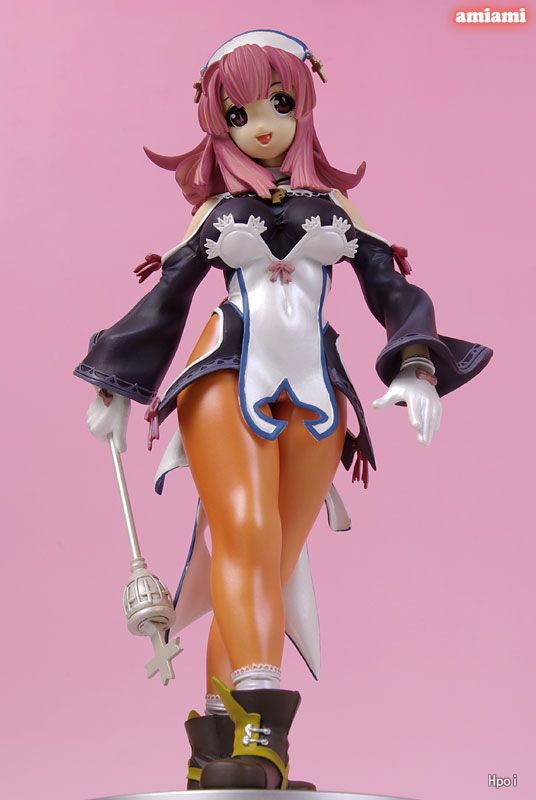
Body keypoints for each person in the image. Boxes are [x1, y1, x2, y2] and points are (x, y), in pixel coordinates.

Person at [75, 30, 492, 791]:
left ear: (303, 105)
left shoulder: (333, 210)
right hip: (226, 373)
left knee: (268, 562)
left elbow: (392, 289)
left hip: (317, 390)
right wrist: (116, 384)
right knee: (246, 534)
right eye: (239, 113)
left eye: (278, 103)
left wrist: (418, 364)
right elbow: (166, 297)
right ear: (218, 121)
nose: (262, 126)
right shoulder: (216, 214)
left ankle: (215, 746)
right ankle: (264, 735)